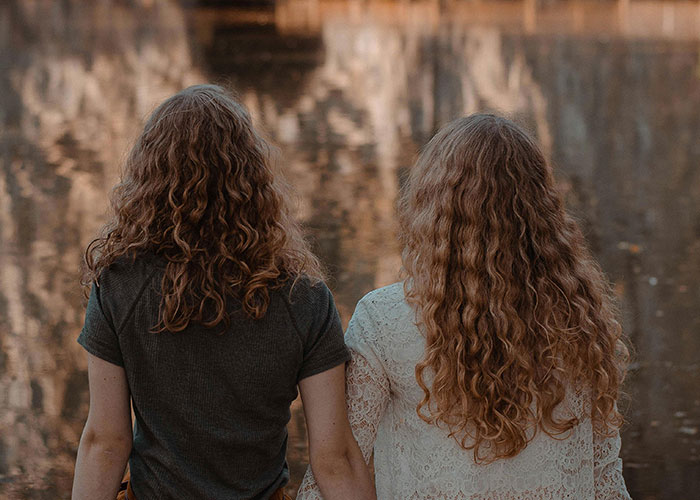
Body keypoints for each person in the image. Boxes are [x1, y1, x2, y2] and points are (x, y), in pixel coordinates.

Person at [298, 114, 631, 499]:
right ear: (540, 208)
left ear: (431, 204)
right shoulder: (581, 318)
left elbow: (338, 461)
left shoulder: (385, 319)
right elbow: (605, 477)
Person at [71, 84, 376, 500]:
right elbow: (334, 458)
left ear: (148, 175)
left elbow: (105, 443)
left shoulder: (119, 286)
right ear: (253, 177)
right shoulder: (302, 297)